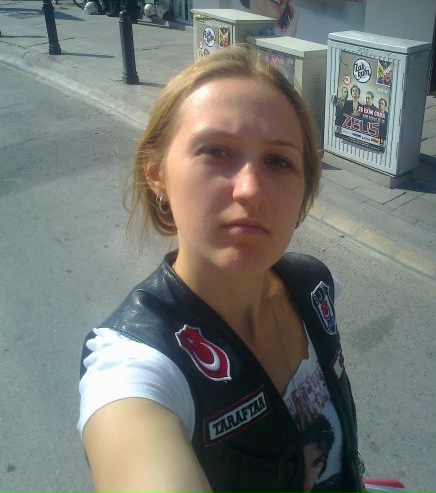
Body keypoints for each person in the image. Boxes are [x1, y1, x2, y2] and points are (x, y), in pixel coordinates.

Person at [78, 46, 364, 493]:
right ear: (156, 172)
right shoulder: (136, 362)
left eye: (279, 161)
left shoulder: (313, 285)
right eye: (215, 151)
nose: (250, 189)